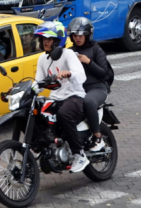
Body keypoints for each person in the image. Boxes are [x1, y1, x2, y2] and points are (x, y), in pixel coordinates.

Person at [34, 22, 89, 173]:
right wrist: (21, 91)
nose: (45, 41)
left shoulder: (68, 54)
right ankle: (47, 147)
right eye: (43, 38)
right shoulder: (42, 59)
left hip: (74, 96)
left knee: (63, 114)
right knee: (34, 113)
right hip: (55, 97)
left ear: (58, 40)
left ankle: (80, 154)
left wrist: (69, 73)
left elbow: (81, 76)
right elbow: (38, 84)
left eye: (49, 39)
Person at [69, 17, 111, 154]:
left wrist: (88, 62)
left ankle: (97, 137)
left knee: (88, 101)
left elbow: (104, 73)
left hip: (97, 88)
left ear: (87, 35)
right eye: (75, 35)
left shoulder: (96, 50)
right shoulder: (70, 52)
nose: (78, 38)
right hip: (77, 89)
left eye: (81, 35)